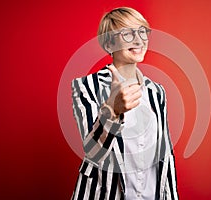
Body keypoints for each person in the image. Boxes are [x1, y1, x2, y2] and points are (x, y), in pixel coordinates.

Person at [71, 7, 179, 200]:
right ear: (109, 43)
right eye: (127, 33)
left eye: (142, 31)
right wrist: (112, 111)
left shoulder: (157, 92)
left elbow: (166, 156)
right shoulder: (86, 87)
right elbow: (93, 153)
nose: (139, 40)